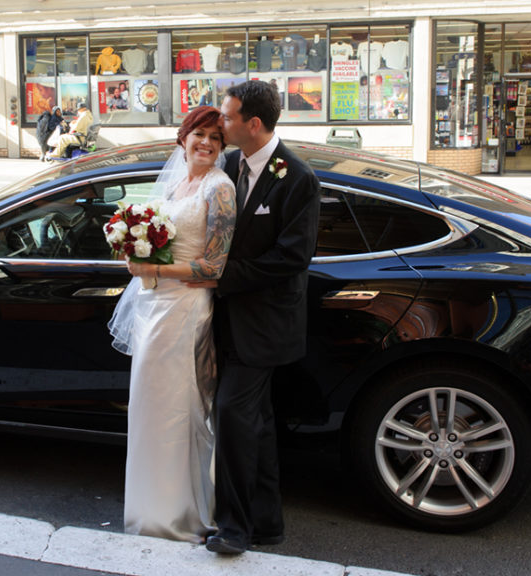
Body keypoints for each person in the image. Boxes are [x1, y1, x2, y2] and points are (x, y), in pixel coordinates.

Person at [200, 80, 321, 555]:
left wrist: (217, 277)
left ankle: (234, 527)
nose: (219, 124)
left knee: (232, 413)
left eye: (226, 118)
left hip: (266, 326)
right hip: (226, 321)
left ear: (253, 123)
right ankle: (268, 524)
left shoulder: (298, 178)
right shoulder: (228, 165)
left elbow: (291, 257)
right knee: (258, 425)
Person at [108, 106, 236, 543]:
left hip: (185, 308)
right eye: (199, 134)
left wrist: (155, 272)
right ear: (182, 138)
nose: (206, 143)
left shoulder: (220, 189)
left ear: (222, 148)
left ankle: (180, 514)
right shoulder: (180, 182)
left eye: (215, 139)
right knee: (150, 408)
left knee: (180, 410)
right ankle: (150, 507)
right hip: (155, 306)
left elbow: (215, 268)